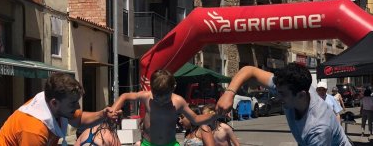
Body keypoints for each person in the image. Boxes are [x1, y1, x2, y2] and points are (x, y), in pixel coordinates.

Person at [216, 63, 352, 145]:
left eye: (283, 94)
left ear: (301, 95)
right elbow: (250, 70)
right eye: (278, 91)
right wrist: (229, 93)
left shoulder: (319, 129)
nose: (278, 97)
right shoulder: (292, 85)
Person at [0, 72, 120, 146]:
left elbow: (79, 120)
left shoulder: (55, 104)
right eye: (73, 103)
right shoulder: (34, 130)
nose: (78, 107)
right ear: (54, 103)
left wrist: (103, 114)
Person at [111, 69, 219, 146]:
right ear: (151, 88)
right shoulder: (146, 97)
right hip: (148, 143)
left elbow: (195, 119)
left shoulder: (178, 102)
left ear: (173, 88)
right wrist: (113, 110)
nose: (161, 100)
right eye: (157, 96)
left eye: (165, 97)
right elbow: (125, 96)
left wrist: (217, 114)